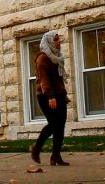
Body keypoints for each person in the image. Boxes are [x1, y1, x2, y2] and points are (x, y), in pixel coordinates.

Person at [30, 30, 69, 167]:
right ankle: (36, 149)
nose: (59, 42)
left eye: (58, 39)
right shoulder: (43, 58)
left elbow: (57, 79)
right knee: (53, 125)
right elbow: (44, 80)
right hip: (46, 96)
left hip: (59, 95)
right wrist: (51, 97)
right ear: (49, 41)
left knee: (60, 125)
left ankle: (56, 156)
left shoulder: (56, 57)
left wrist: (62, 94)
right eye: (56, 40)